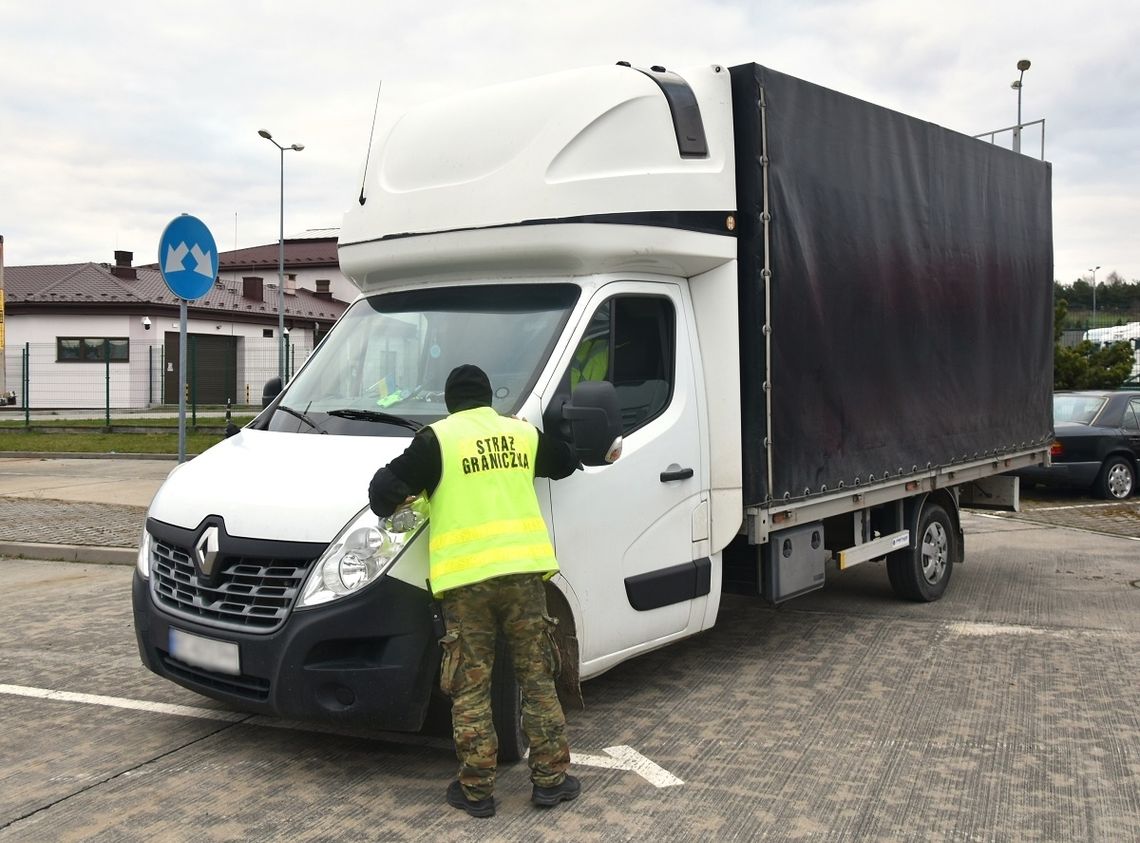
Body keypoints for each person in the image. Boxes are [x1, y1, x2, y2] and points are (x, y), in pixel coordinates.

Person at [368, 364, 582, 819]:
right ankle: (551, 781)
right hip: (524, 578)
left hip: (466, 585)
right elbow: (564, 461)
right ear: (489, 399)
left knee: (470, 686)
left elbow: (382, 490)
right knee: (537, 679)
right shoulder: (520, 435)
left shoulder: (436, 440)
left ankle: (477, 790)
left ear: (450, 402)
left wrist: (405, 497)